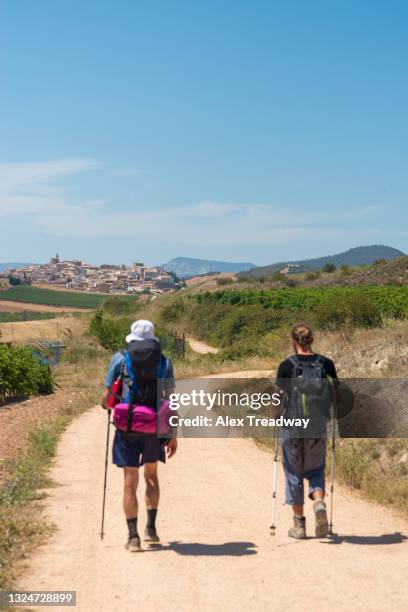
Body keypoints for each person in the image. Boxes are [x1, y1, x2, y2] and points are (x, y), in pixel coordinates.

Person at [101, 319, 177, 552]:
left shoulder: (120, 359)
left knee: (129, 482)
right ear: (153, 339)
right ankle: (151, 529)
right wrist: (173, 433)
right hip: (154, 427)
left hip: (127, 428)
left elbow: (106, 398)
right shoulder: (165, 361)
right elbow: (170, 399)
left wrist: (107, 405)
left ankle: (133, 538)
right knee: (151, 476)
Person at [276, 324, 337, 539]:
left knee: (293, 474)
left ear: (294, 341)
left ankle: (299, 526)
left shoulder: (286, 366)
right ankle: (319, 502)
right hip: (317, 428)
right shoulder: (326, 364)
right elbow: (336, 395)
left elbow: (278, 398)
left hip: (293, 428)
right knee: (316, 469)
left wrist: (275, 417)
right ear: (312, 340)